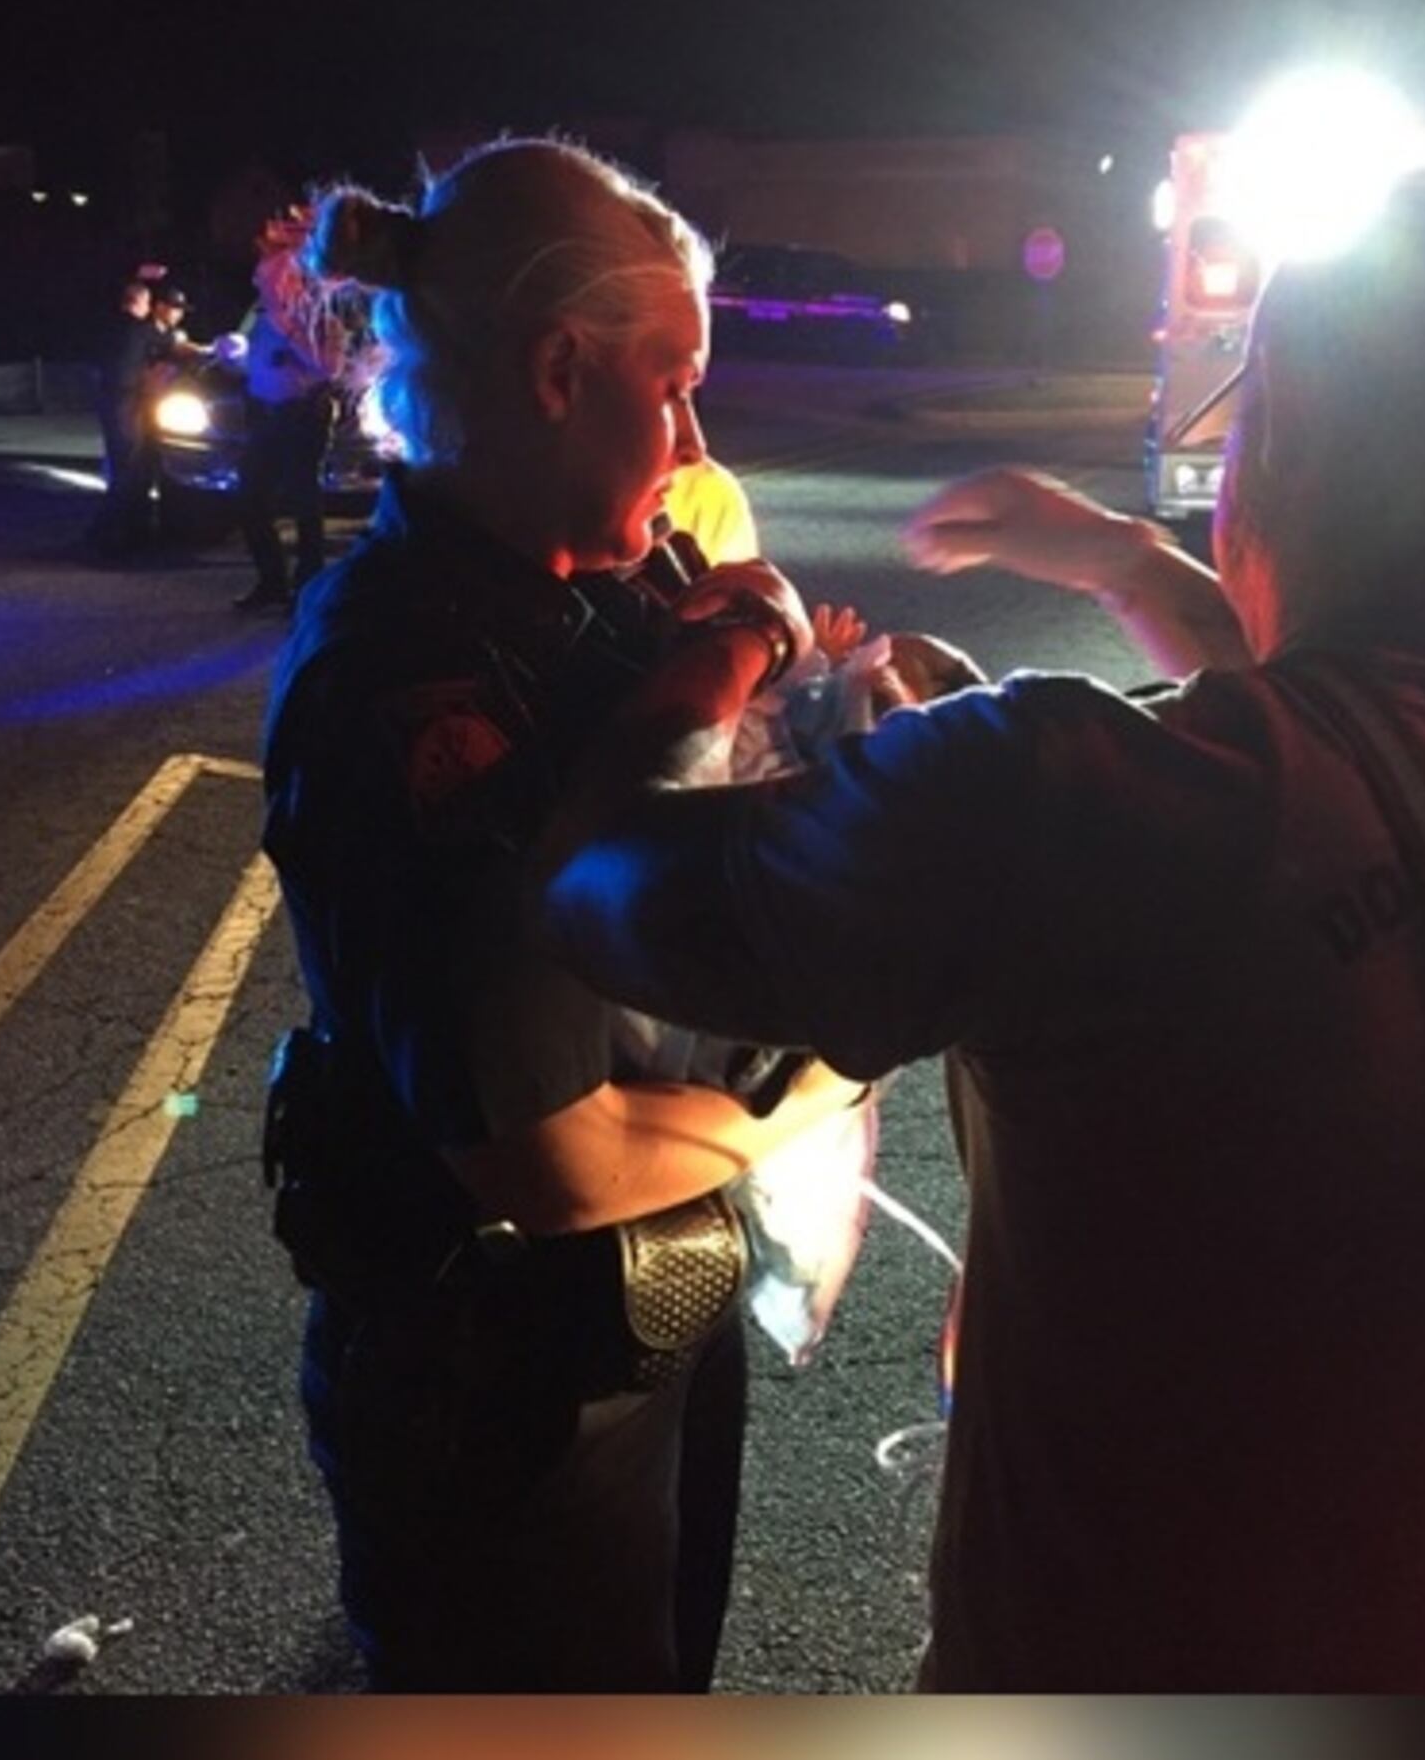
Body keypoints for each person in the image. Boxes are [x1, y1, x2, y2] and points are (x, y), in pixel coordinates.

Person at [530, 166, 1425, 1691]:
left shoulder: (1067, 801)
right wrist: (1125, 561)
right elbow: (1354, 716)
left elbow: (603, 883)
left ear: (1282, 454)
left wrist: (732, 639)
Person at [255, 136, 872, 1692]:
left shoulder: (581, 590)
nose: (690, 431)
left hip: (640, 1341)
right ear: (552, 372)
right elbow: (553, 1151)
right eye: (669, 384)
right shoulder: (405, 679)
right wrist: (809, 1096)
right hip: (499, 1400)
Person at [235, 209, 351, 614]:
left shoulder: (315, 314)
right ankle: (271, 581)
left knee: (304, 499)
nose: (263, 279)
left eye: (271, 273)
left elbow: (331, 366)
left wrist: (294, 342)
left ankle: (308, 584)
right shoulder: (266, 317)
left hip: (302, 413)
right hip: (265, 412)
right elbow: (257, 358)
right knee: (250, 497)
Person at [88, 268, 184, 558]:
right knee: (129, 470)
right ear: (140, 303)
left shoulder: (111, 326)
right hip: (126, 405)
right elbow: (176, 347)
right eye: (147, 303)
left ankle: (120, 531)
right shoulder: (139, 330)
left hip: (110, 402)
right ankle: (110, 534)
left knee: (123, 467)